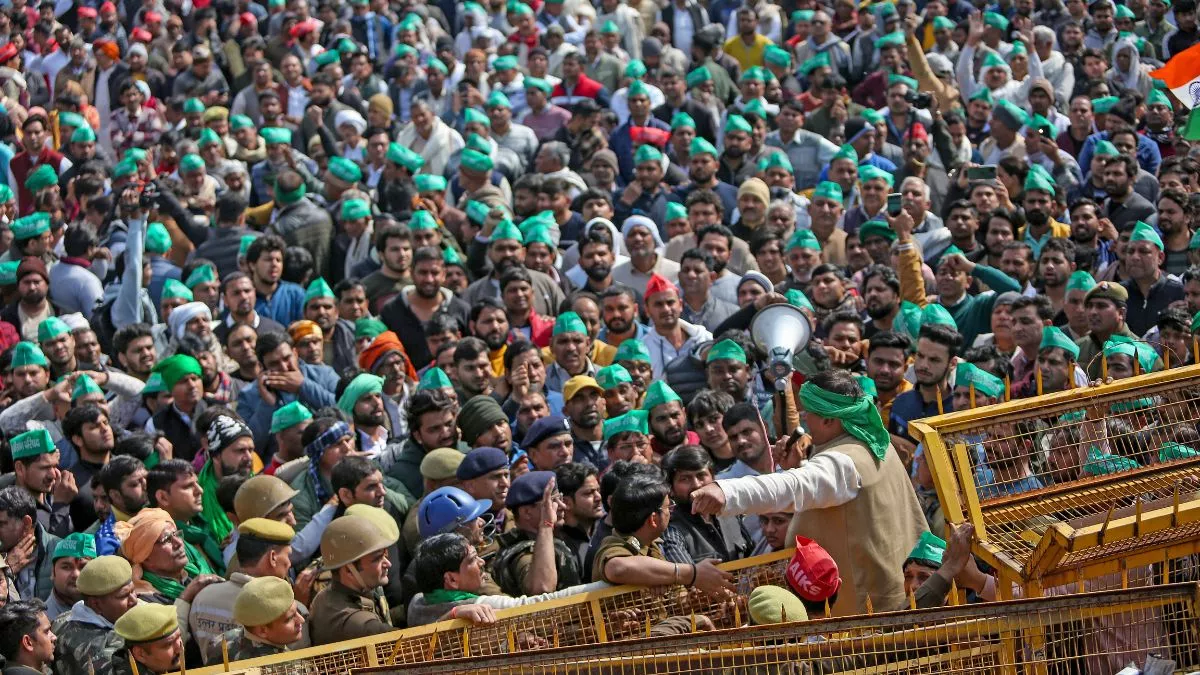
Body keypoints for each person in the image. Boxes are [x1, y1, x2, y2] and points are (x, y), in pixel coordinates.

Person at [692, 370, 928, 616]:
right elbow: (830, 490)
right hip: (889, 595)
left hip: (862, 613)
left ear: (829, 420)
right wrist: (798, 466)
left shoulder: (846, 461)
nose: (804, 421)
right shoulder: (874, 442)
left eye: (809, 414)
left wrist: (724, 490)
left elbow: (792, 486)